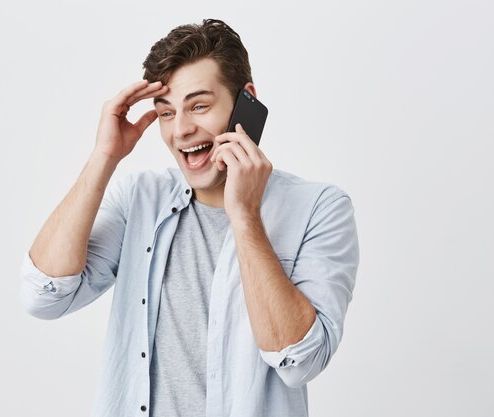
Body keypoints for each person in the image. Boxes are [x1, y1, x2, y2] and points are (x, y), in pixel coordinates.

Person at [20, 18, 359, 417]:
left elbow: (300, 361)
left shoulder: (320, 208)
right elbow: (43, 296)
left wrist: (246, 216)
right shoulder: (139, 199)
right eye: (166, 113)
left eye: (199, 106)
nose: (180, 130)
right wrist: (104, 157)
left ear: (245, 101)